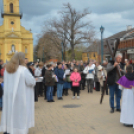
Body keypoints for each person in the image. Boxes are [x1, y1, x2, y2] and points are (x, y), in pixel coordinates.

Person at [0, 52, 36, 134]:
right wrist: (34, 80)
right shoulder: (23, 70)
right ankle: (18, 130)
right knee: (19, 114)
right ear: (21, 60)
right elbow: (31, 82)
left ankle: (8, 129)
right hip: (21, 96)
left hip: (9, 95)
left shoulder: (7, 69)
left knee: (9, 111)